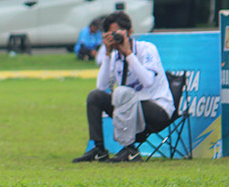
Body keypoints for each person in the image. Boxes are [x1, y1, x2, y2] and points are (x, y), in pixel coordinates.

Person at [72, 11, 174, 163]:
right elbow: (101, 86)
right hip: (128, 108)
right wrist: (107, 54)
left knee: (123, 94)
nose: (116, 38)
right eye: (111, 34)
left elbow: (148, 82)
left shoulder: (147, 49)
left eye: (118, 33)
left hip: (157, 108)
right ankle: (99, 149)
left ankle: (131, 150)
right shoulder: (114, 56)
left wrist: (128, 54)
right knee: (95, 96)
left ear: (130, 32)